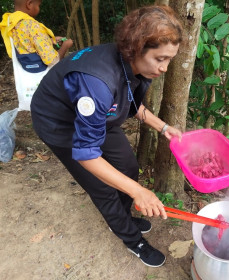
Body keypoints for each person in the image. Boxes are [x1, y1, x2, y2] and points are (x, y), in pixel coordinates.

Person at [30, 5, 183, 268]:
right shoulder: (97, 82)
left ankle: (123, 216)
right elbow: (87, 154)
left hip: (99, 118)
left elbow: (131, 103)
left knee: (127, 167)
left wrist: (164, 128)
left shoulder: (134, 66)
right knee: (102, 188)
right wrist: (139, 192)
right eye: (160, 59)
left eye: (170, 59)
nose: (165, 68)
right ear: (136, 47)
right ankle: (132, 239)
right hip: (60, 122)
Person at [0, 0, 73, 72]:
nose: (39, 8)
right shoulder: (33, 26)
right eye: (39, 5)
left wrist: (49, 40)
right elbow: (53, 60)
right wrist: (65, 46)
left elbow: (27, 45)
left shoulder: (11, 23)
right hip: (42, 75)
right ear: (29, 4)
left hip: (26, 72)